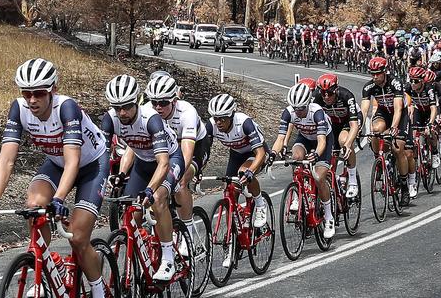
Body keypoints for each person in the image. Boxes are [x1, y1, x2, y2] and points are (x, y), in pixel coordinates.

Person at [0, 58, 110, 297]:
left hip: (91, 165)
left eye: (39, 93)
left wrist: (59, 199)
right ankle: (44, 267)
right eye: (26, 93)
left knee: (78, 238)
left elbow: (74, 162)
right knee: (34, 205)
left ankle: (98, 289)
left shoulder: (66, 108)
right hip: (57, 163)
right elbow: (6, 159)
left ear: (53, 90)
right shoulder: (19, 109)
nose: (32, 100)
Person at [101, 74, 185, 281]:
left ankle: (167, 259)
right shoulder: (110, 119)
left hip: (169, 159)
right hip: (143, 162)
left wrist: (149, 190)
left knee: (157, 200)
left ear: (137, 101)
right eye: (116, 107)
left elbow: (163, 163)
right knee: (132, 215)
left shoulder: (151, 119)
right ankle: (142, 258)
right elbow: (101, 157)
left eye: (127, 106)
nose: (122, 113)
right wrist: (116, 176)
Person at [143, 74, 211, 255]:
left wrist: (174, 178)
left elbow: (186, 154)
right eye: (154, 102)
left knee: (180, 183)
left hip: (194, 147)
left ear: (174, 100)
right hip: (167, 149)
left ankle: (188, 233)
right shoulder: (147, 112)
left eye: (164, 102)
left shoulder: (186, 112)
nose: (158, 107)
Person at [270, 83, 336, 238]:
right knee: (296, 158)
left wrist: (316, 155)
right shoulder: (288, 112)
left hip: (323, 139)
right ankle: (298, 194)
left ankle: (328, 216)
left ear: (308, 104)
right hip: (305, 137)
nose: (297, 112)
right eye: (295, 108)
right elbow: (280, 138)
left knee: (319, 177)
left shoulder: (317, 112)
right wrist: (273, 153)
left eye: (301, 108)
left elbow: (321, 142)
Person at [205, 94, 268, 234]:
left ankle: (259, 204)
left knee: (243, 172)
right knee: (229, 190)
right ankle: (234, 233)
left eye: (222, 118)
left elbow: (260, 153)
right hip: (236, 154)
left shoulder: (244, 123)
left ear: (231, 116)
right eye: (216, 118)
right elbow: (204, 152)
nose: (218, 122)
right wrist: (198, 170)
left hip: (256, 152)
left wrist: (251, 171)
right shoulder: (211, 125)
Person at [360, 57, 415, 202]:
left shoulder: (395, 83)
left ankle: (404, 187)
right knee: (376, 130)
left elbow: (397, 109)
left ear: (384, 72)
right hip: (383, 112)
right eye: (372, 73)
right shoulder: (368, 87)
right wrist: (359, 127)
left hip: (399, 115)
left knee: (398, 150)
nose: (375, 76)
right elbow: (364, 111)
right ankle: (379, 159)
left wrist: (394, 128)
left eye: (377, 73)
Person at [312, 73, 362, 198]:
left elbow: (354, 125)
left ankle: (352, 180)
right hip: (331, 125)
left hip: (348, 122)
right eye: (323, 93)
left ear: (336, 89)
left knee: (343, 141)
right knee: (330, 155)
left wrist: (348, 144)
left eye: (330, 92)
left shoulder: (346, 96)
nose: (327, 96)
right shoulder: (316, 97)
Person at [405, 67, 440, 172]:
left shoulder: (429, 89)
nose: (413, 83)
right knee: (414, 133)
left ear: (422, 81)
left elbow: (434, 108)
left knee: (430, 131)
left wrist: (430, 123)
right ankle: (416, 159)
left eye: (415, 81)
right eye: (411, 80)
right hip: (419, 111)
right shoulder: (408, 88)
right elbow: (405, 105)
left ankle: (434, 153)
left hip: (429, 111)